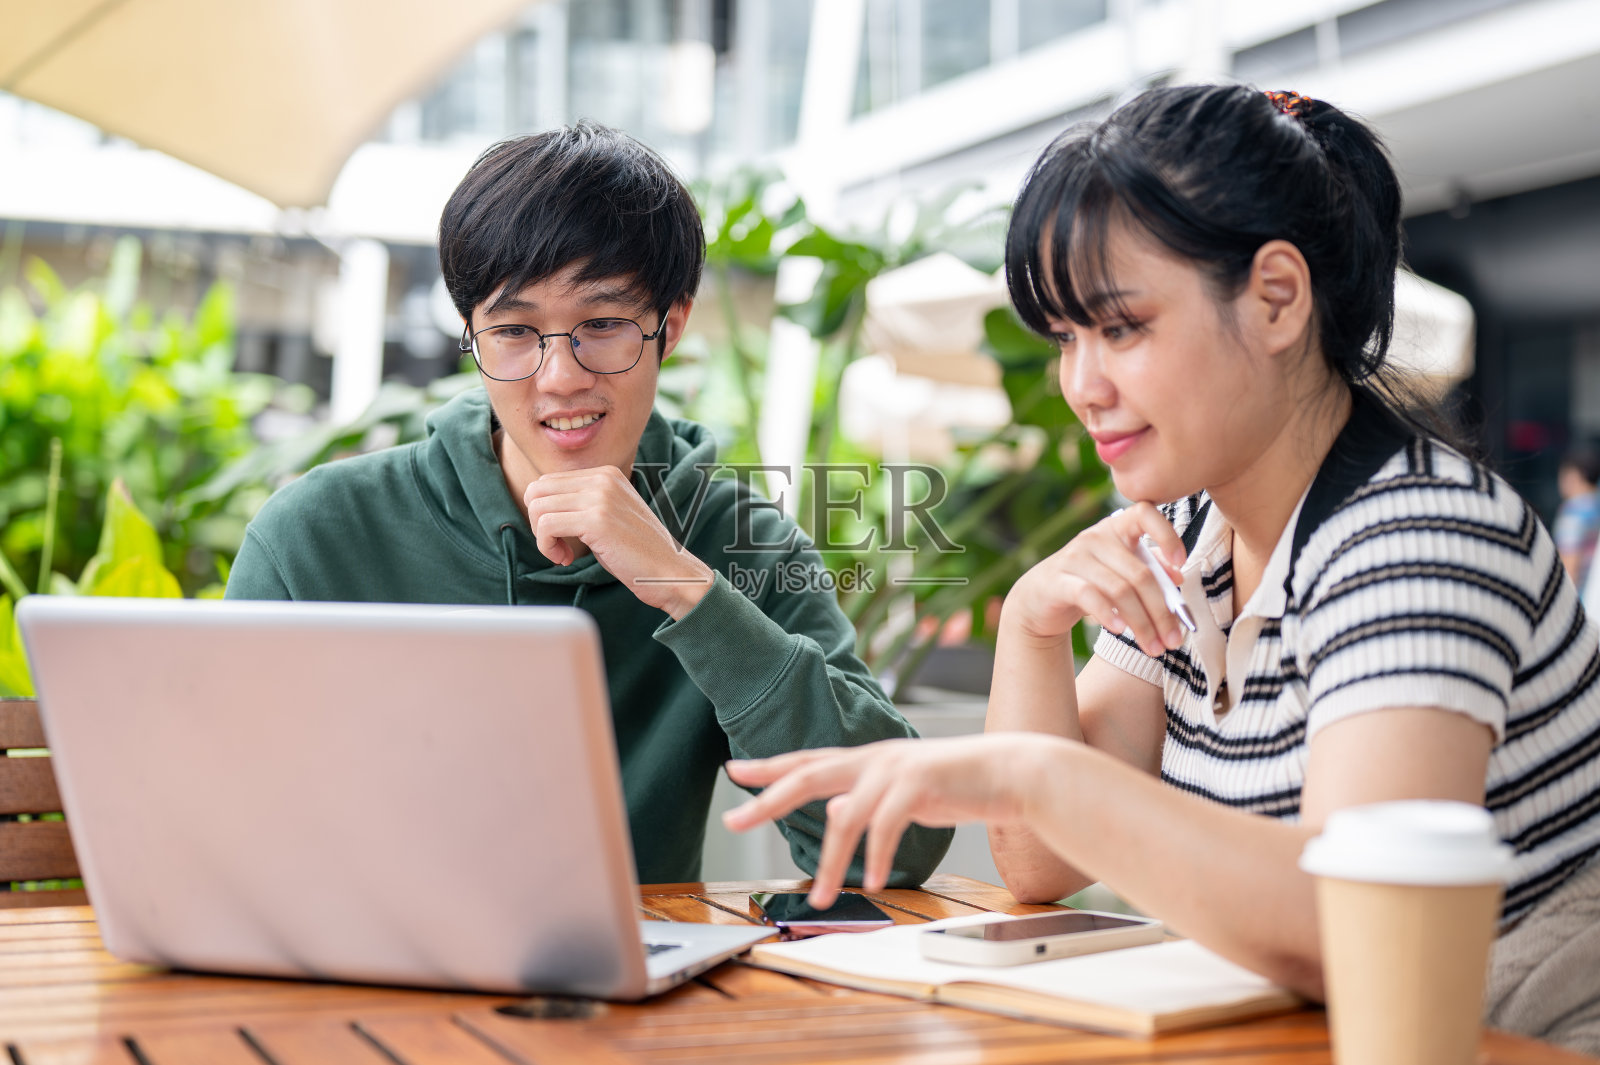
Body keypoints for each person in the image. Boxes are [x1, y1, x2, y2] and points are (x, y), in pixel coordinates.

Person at [722, 85, 1600, 1053]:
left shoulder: (1416, 537)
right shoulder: (1192, 531)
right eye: (1065, 337)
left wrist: (1032, 773)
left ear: (1275, 299)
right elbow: (1039, 860)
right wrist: (1028, 619)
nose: (1079, 385)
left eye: (1120, 328)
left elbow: (1345, 924)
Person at [226, 122, 951, 886]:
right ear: (471, 337)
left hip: (632, 992)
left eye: (602, 325)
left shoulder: (743, 543)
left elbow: (892, 853)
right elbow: (215, 828)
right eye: (515, 330)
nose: (561, 375)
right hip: (349, 977)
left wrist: (684, 588)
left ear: (670, 326)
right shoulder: (313, 538)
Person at [1554, 446, 1600, 591]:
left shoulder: (1573, 513)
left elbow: (1569, 569)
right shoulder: (1595, 507)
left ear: (1573, 475)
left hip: (1582, 602)